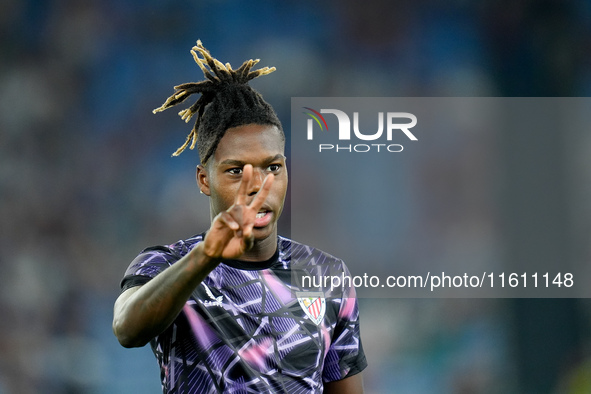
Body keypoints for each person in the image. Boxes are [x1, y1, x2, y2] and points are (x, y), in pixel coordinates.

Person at [112, 40, 367, 394]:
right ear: (205, 179)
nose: (258, 185)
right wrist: (206, 256)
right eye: (236, 171)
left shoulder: (327, 275)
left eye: (272, 167)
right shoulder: (166, 264)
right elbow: (127, 328)